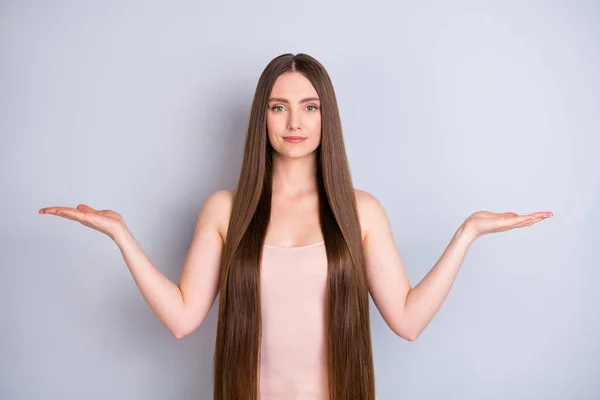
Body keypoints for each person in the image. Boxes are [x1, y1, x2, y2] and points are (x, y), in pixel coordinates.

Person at [39, 53, 553, 400]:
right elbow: (181, 318)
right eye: (279, 107)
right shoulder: (226, 209)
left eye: (309, 107)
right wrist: (122, 234)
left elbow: (408, 320)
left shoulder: (360, 211)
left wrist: (467, 233)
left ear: (326, 117)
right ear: (262, 117)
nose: (294, 123)